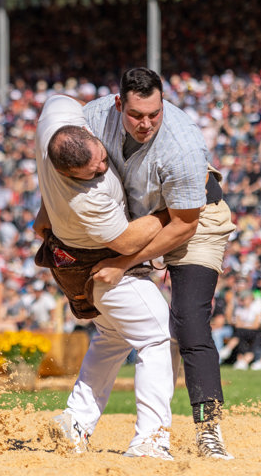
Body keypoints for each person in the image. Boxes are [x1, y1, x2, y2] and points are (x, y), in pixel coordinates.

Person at [84, 67, 236, 460]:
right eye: (136, 115)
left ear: (163, 104)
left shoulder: (183, 144)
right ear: (119, 105)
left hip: (195, 219)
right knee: (120, 317)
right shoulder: (92, 118)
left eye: (154, 113)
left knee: (187, 318)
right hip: (140, 220)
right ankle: (79, 416)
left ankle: (208, 429)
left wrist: (124, 262)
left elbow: (184, 224)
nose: (146, 123)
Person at [35, 94, 174, 460]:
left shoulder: (56, 121)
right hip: (98, 262)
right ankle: (150, 439)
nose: (101, 170)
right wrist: (168, 213)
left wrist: (44, 203)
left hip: (66, 257)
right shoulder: (87, 198)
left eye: (100, 159)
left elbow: (58, 98)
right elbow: (127, 240)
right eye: (91, 172)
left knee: (113, 337)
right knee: (157, 336)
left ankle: (75, 421)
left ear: (84, 131)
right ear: (66, 174)